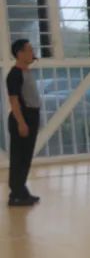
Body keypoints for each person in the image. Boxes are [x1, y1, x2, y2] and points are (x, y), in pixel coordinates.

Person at [6, 39, 41, 207]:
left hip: (32, 116)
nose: (32, 53)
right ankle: (16, 194)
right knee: (19, 157)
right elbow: (14, 101)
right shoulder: (14, 74)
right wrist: (21, 122)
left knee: (26, 157)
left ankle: (20, 190)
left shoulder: (27, 71)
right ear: (19, 53)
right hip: (22, 117)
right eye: (29, 50)